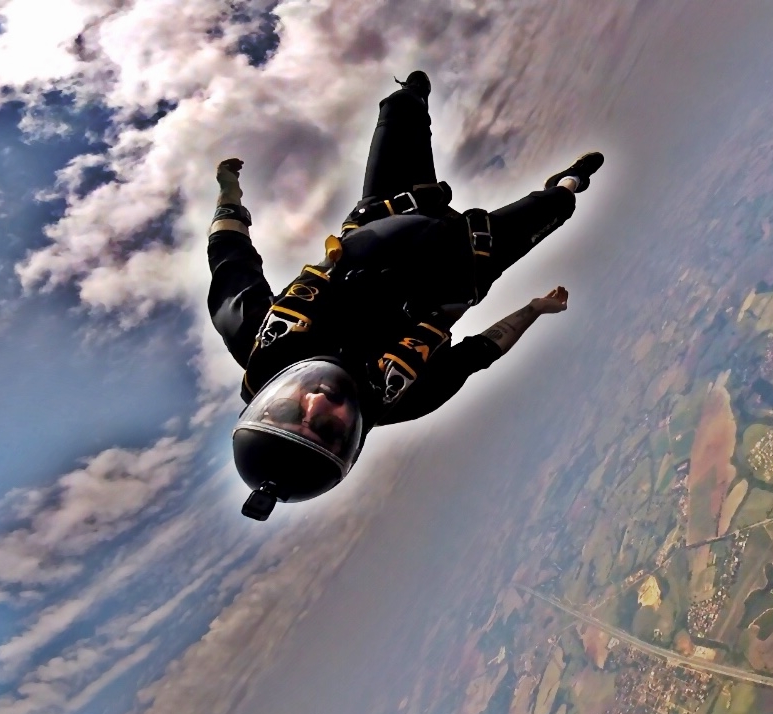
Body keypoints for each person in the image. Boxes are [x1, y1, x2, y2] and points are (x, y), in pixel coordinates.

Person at [205, 71, 604, 519]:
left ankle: (413, 92)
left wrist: (228, 191)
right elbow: (480, 351)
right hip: (471, 256)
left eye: (285, 411)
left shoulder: (253, 334)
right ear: (352, 440)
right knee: (559, 203)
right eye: (326, 428)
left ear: (262, 405)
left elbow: (229, 256)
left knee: (401, 105)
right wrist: (534, 309)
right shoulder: (408, 398)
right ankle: (568, 181)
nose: (317, 401)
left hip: (390, 206)